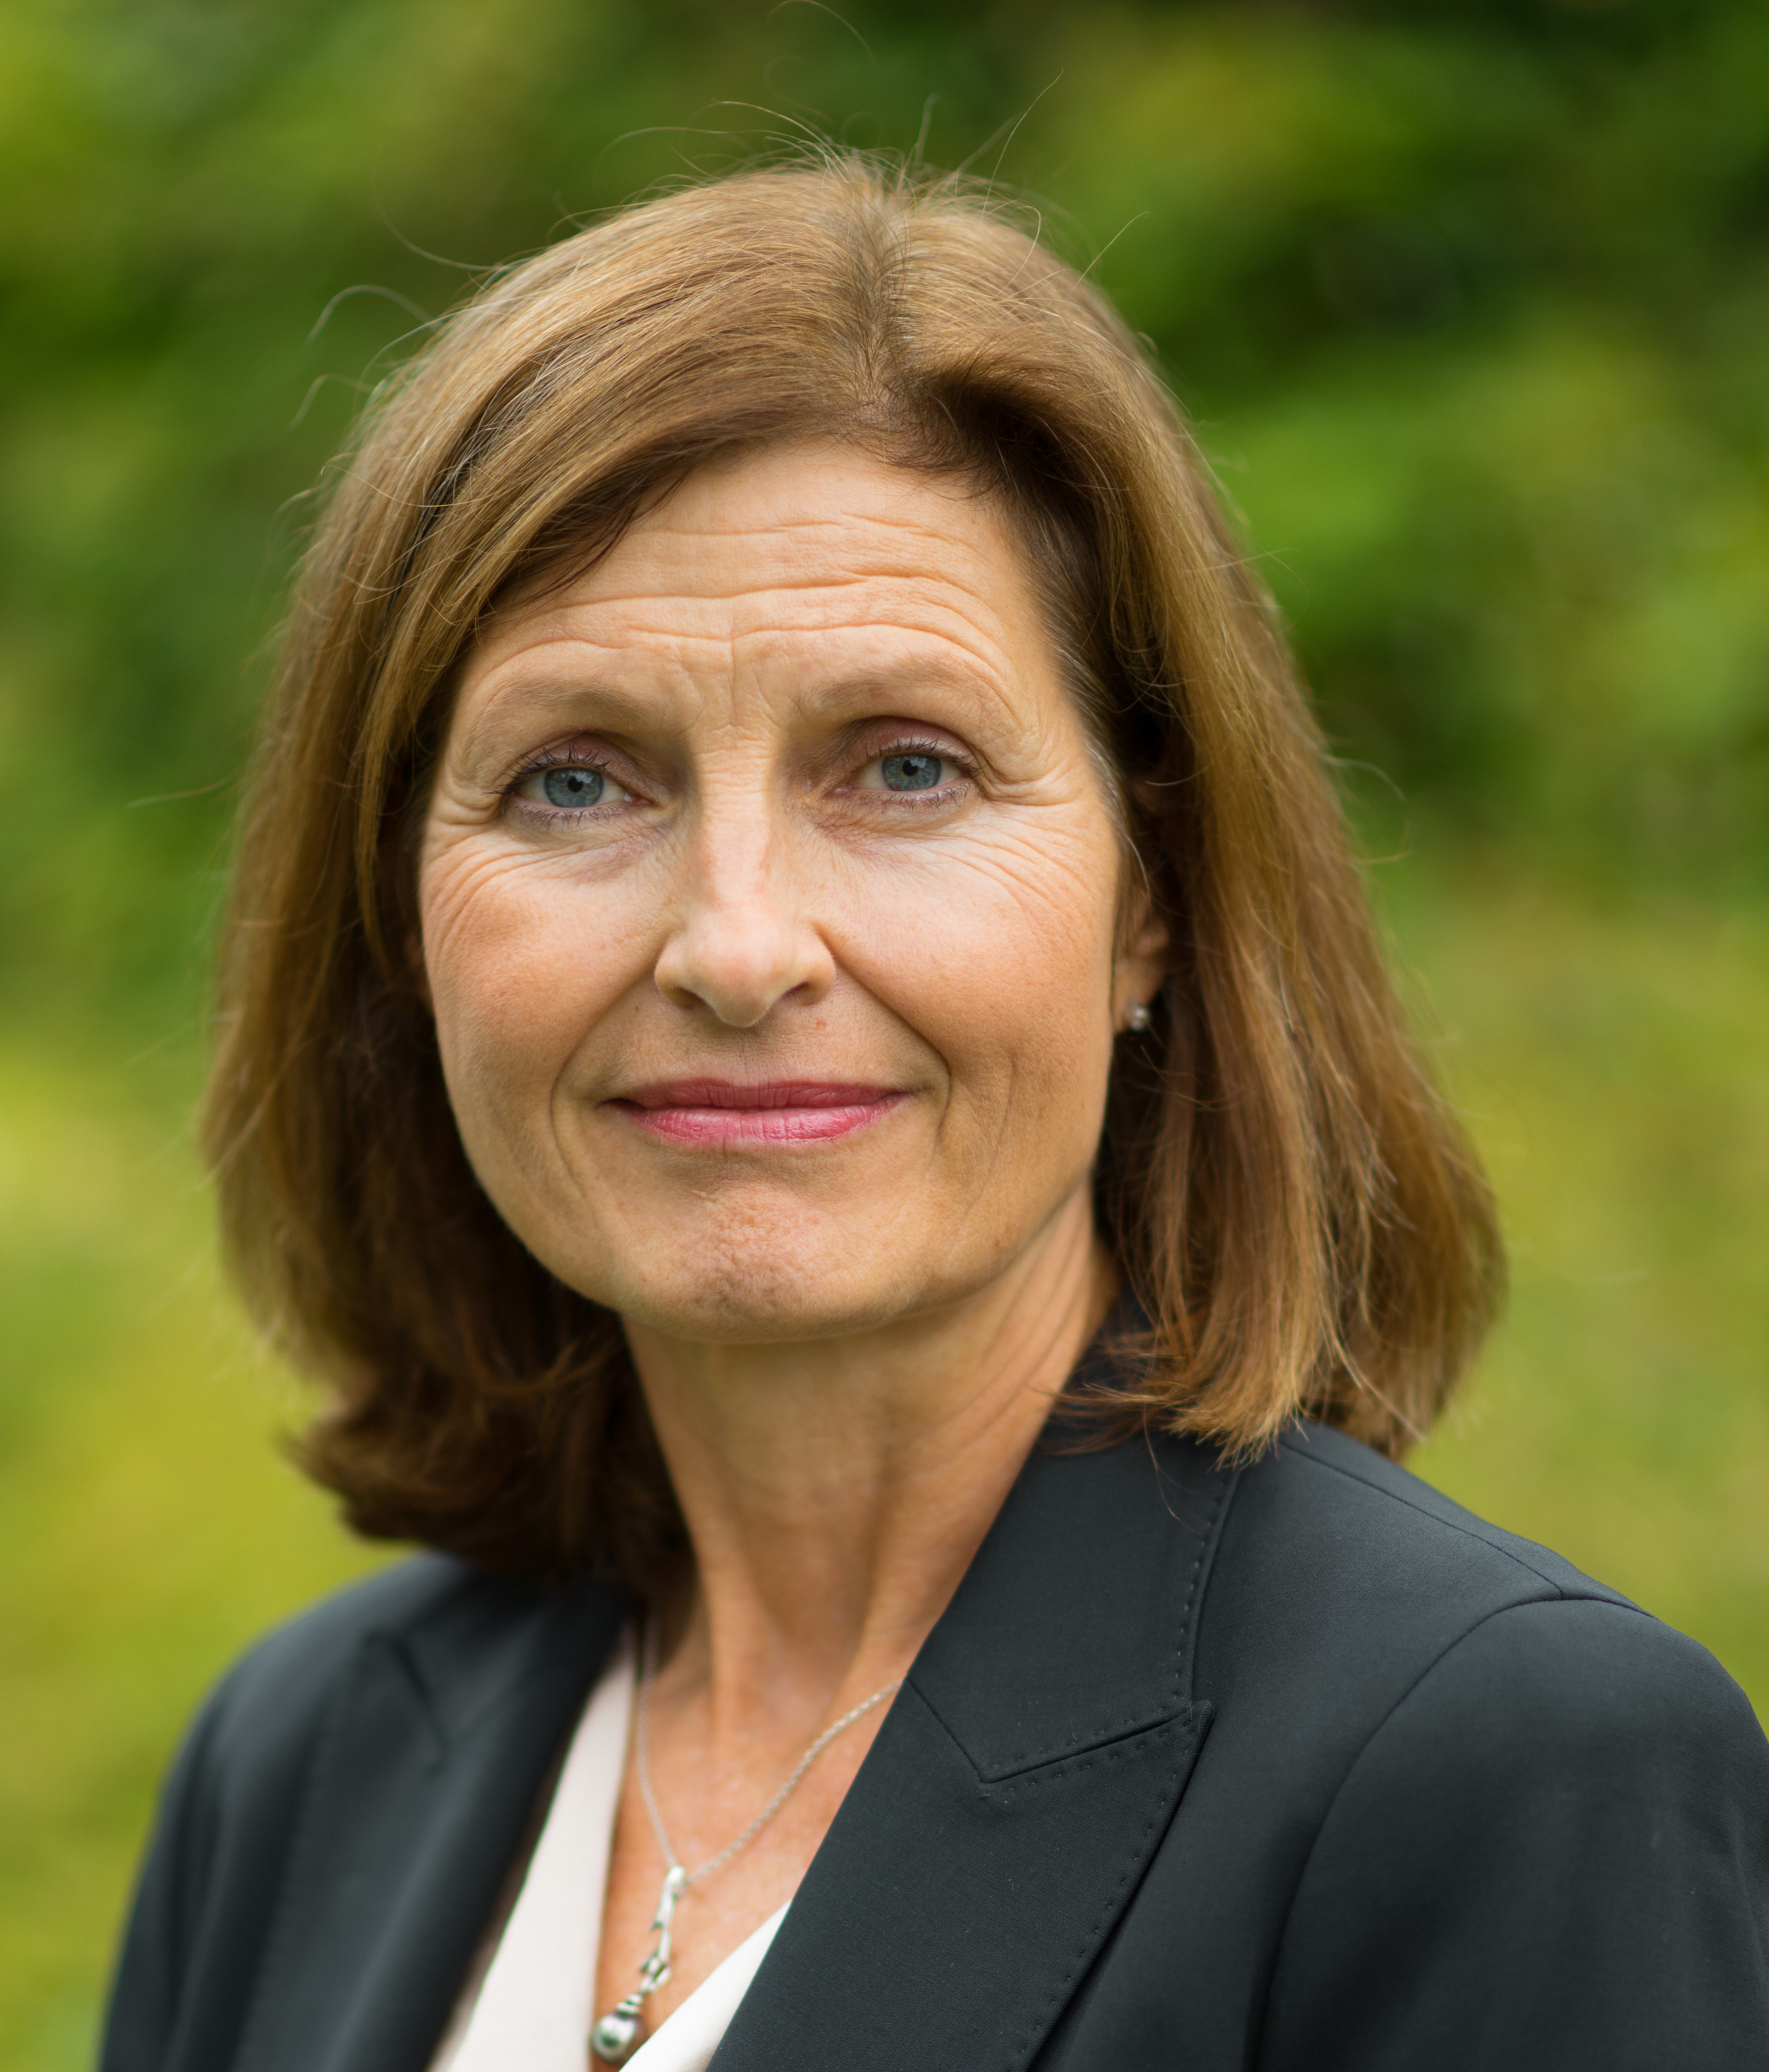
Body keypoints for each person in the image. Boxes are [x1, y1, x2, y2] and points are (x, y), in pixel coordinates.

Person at [98, 158, 1769, 2072]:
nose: (736, 945)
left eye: (903, 766)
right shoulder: (301, 1759)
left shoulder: (1497, 1769)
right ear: (398, 910)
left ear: (1153, 897)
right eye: (574, 783)